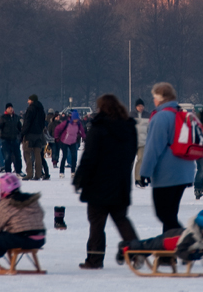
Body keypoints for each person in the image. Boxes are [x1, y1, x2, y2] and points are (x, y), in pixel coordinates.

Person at [74, 94, 139, 269]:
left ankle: (94, 259)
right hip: (121, 182)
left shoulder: (99, 127)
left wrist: (80, 178)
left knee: (96, 222)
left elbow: (89, 156)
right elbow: (132, 153)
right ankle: (136, 250)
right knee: (121, 218)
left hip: (98, 183)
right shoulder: (129, 127)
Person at [139, 82, 196, 232]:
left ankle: (190, 239)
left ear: (159, 98)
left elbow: (153, 148)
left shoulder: (160, 117)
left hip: (167, 175)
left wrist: (144, 172)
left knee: (163, 214)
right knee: (171, 214)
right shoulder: (184, 115)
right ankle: (168, 253)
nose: (153, 100)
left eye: (154, 97)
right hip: (185, 172)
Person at [117, 209, 203, 267]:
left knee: (145, 249)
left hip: (172, 238)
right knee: (144, 247)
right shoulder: (191, 238)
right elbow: (180, 251)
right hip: (165, 241)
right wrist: (190, 256)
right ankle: (124, 247)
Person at [21, 95, 48, 180]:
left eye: (28, 100)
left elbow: (27, 122)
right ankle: (38, 174)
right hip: (39, 135)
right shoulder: (41, 109)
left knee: (27, 154)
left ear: (32, 100)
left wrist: (22, 133)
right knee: (38, 155)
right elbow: (43, 123)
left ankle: (29, 173)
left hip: (29, 135)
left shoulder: (30, 109)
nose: (27, 102)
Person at [54, 110, 86, 178]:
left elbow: (82, 131)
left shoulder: (78, 124)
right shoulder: (66, 123)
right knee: (64, 156)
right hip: (64, 141)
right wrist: (56, 137)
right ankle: (61, 172)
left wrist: (84, 137)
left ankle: (73, 172)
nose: (76, 120)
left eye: (77, 119)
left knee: (74, 156)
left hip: (73, 142)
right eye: (74, 119)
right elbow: (57, 128)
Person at [0, 104, 23, 175]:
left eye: (11, 108)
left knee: (18, 156)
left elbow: (20, 128)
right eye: (9, 108)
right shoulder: (3, 118)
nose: (10, 109)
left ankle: (18, 171)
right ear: (6, 109)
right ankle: (8, 172)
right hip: (5, 140)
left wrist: (21, 136)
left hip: (15, 139)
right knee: (7, 157)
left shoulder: (16, 117)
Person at [132, 99, 150, 184]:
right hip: (132, 142)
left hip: (143, 141)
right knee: (130, 161)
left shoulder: (147, 115)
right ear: (136, 107)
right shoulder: (131, 115)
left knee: (141, 160)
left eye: (142, 106)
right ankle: (125, 179)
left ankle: (138, 178)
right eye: (139, 106)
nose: (141, 107)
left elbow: (150, 128)